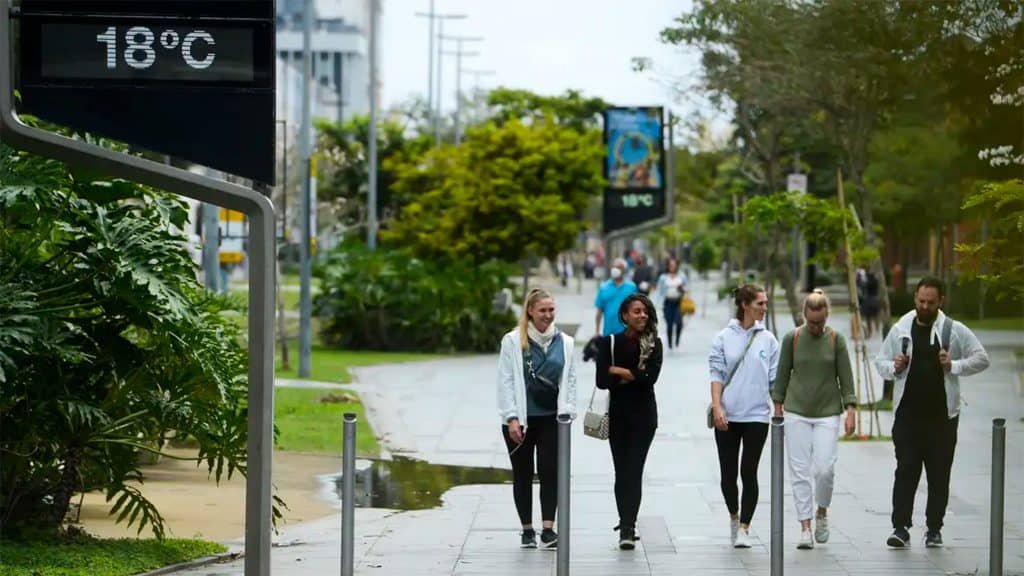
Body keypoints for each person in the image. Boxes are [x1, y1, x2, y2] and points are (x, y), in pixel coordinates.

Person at [875, 277, 989, 549]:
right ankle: (900, 527)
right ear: (915, 298)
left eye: (930, 302)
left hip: (942, 418)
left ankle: (934, 528)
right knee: (906, 472)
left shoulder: (953, 330)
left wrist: (954, 365)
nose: (925, 306)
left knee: (939, 474)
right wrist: (895, 367)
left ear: (941, 302)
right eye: (921, 301)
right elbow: (880, 362)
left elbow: (982, 358)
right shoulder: (901, 328)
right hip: (908, 418)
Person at [771, 290, 857, 550]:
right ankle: (805, 526)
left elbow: (846, 376)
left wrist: (851, 409)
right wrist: (777, 407)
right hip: (796, 411)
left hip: (828, 412)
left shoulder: (835, 339)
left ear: (827, 316)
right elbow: (782, 374)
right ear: (804, 317)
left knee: (824, 469)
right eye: (811, 322)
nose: (816, 327)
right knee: (799, 472)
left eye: (820, 321)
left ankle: (822, 511)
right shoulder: (793, 338)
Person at [496, 288, 579, 549]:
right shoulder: (512, 341)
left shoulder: (565, 342)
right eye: (542, 310)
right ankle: (526, 529)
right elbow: (506, 380)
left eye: (551, 310)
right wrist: (511, 417)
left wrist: (568, 412)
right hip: (520, 419)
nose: (547, 315)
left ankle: (548, 528)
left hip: (552, 419)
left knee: (550, 472)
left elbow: (571, 379)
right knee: (522, 474)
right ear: (530, 312)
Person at [708, 284, 780, 548]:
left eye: (765, 302)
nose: (765, 307)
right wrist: (717, 407)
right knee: (728, 475)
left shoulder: (769, 340)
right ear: (745, 305)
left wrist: (779, 408)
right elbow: (716, 374)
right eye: (760, 303)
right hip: (728, 414)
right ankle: (733, 516)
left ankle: (745, 527)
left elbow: (774, 379)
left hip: (757, 416)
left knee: (748, 472)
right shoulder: (723, 337)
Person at [595, 293, 663, 549]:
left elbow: (650, 378)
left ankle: (628, 527)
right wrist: (632, 374)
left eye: (645, 311)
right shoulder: (609, 343)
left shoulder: (654, 344)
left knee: (634, 470)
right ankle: (625, 522)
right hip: (619, 416)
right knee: (621, 471)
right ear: (624, 316)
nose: (642, 315)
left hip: (644, 417)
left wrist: (619, 370)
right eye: (636, 311)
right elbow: (601, 381)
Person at [594, 258, 637, 336]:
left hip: (627, 332)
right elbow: (599, 311)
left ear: (624, 270)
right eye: (614, 267)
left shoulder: (631, 287)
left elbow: (636, 309)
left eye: (618, 267)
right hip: (608, 332)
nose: (615, 269)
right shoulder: (604, 287)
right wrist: (597, 331)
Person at [656, 257, 687, 351]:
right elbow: (660, 291)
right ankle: (670, 343)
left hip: (678, 302)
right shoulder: (663, 277)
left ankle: (677, 339)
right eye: (670, 265)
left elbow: (687, 287)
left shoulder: (681, 276)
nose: (672, 267)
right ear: (668, 266)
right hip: (668, 302)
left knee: (679, 323)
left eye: (674, 265)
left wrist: (682, 290)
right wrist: (659, 303)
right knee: (669, 323)